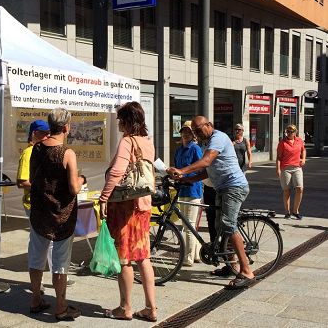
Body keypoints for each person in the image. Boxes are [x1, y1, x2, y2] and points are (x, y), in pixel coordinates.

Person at [167, 116, 255, 289]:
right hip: (221, 187)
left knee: (229, 225)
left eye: (199, 130)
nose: (197, 134)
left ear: (209, 125)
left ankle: (246, 271)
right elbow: (208, 172)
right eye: (195, 131)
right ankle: (232, 265)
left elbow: (206, 161)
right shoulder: (205, 143)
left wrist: (182, 170)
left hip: (234, 186)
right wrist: (186, 179)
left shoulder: (218, 138)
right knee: (220, 227)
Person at [99, 101, 157, 322]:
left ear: (127, 121)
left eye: (120, 120)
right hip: (143, 206)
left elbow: (117, 172)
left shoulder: (127, 142)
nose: (118, 124)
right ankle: (151, 308)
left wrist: (104, 197)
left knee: (125, 259)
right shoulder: (147, 142)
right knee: (143, 257)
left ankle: (125, 308)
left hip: (126, 208)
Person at [28, 108, 86, 321]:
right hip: (62, 215)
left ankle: (35, 299)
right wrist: (82, 179)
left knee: (36, 257)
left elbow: (33, 179)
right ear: (66, 127)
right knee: (60, 261)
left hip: (39, 212)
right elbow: (73, 188)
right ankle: (60, 307)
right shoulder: (67, 153)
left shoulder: (36, 149)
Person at [174, 120, 203, 267]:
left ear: (193, 135)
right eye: (184, 131)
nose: (185, 134)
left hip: (193, 190)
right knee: (187, 225)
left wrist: (184, 176)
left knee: (189, 226)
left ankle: (189, 257)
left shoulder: (195, 148)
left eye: (188, 132)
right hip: (182, 190)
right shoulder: (179, 149)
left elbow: (200, 169)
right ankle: (196, 253)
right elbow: (177, 167)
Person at [276, 124, 306, 220]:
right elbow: (279, 157)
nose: (289, 133)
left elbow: (303, 150)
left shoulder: (299, 141)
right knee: (286, 191)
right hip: (286, 168)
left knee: (300, 188)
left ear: (295, 132)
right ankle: (287, 212)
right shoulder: (282, 142)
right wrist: (278, 169)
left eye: (291, 131)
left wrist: (303, 159)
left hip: (297, 167)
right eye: (288, 131)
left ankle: (295, 211)